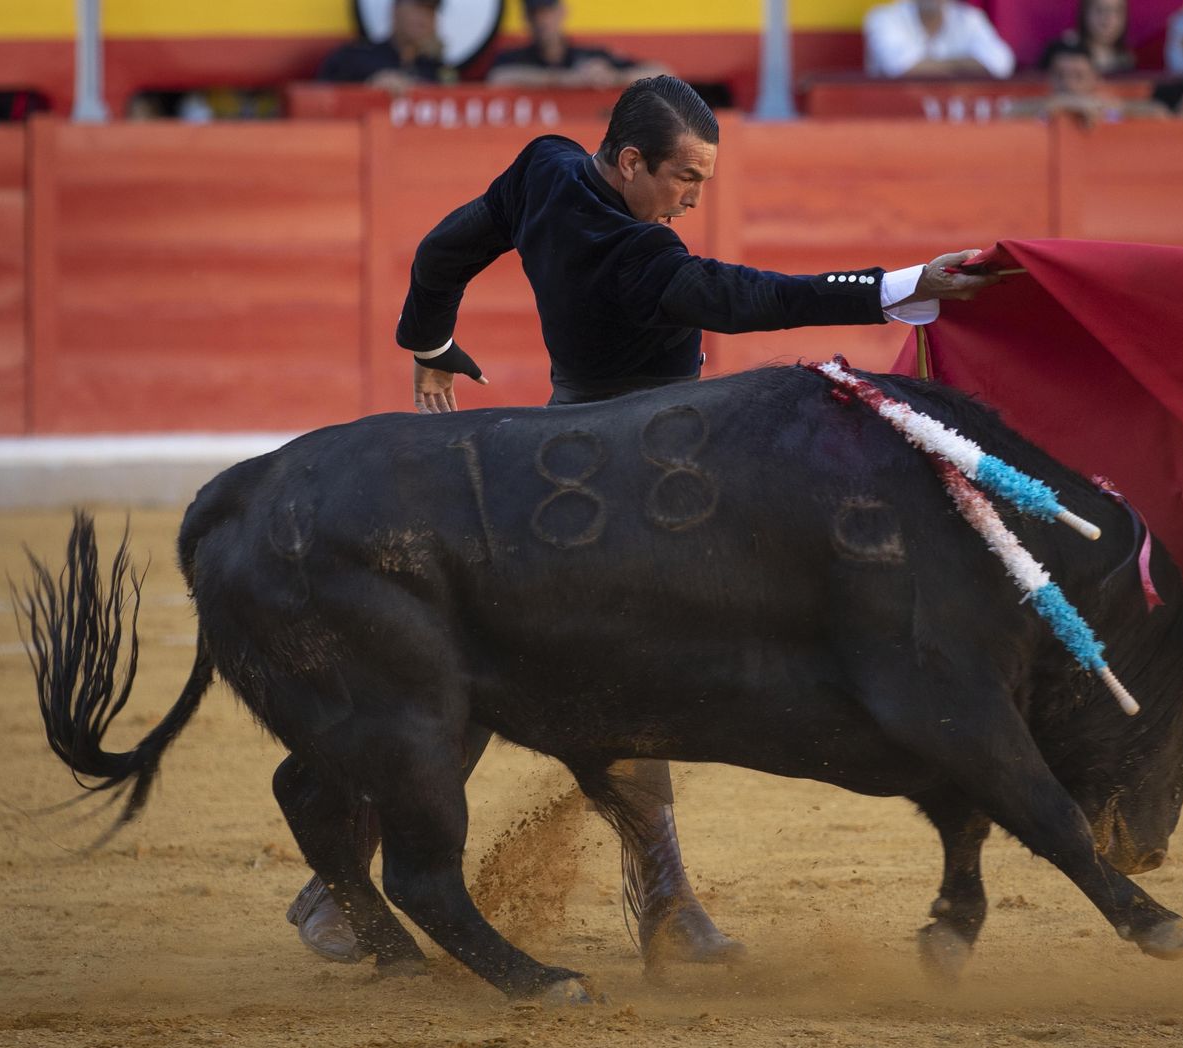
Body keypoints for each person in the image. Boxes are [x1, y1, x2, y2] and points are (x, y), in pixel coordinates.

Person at [288, 75, 998, 969]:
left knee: (514, 671)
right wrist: (899, 286)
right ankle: (647, 902)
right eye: (684, 179)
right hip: (632, 479)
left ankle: (354, 885)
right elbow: (758, 298)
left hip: (568, 452)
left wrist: (428, 343)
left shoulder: (546, 170)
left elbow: (442, 249)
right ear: (629, 162)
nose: (694, 199)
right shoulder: (644, 261)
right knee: (612, 673)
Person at [487, 0, 667, 89]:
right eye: (535, 13)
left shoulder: (591, 56)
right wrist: (567, 78)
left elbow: (662, 73)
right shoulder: (514, 57)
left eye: (547, 12)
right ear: (526, 18)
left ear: (561, 12)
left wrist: (614, 76)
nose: (542, 20)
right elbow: (497, 78)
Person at [316, 0, 455, 90]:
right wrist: (370, 84)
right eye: (417, 8)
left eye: (430, 11)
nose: (423, 19)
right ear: (395, 10)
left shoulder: (437, 69)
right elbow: (320, 96)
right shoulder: (356, 58)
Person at [863, 0, 1016, 80]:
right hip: (893, 120)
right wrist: (968, 67)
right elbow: (903, 69)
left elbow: (1001, 64)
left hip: (955, 123)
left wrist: (932, 66)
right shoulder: (884, 18)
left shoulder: (969, 19)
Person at [1021, 42, 1162, 126]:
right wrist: (1061, 104)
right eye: (1060, 75)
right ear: (1050, 77)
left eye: (1079, 76)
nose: (1068, 83)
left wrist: (1101, 106)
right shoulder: (1038, 108)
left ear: (1095, 79)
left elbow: (1159, 114)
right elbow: (1003, 110)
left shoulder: (1107, 109)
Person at [1037, 0, 1135, 76]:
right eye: (1099, 10)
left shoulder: (1127, 59)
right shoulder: (1063, 52)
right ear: (1084, 12)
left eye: (1117, 11)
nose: (1108, 19)